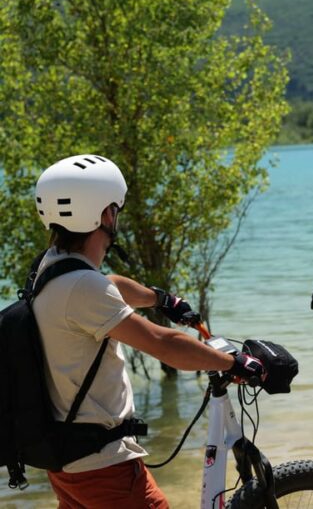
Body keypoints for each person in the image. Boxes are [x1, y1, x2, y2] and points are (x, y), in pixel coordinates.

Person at [33, 155, 267, 508]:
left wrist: (161, 299)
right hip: (103, 466)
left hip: (68, 459)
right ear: (106, 214)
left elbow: (109, 285)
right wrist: (234, 363)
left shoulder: (51, 267)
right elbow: (163, 343)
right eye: (116, 208)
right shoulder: (83, 288)